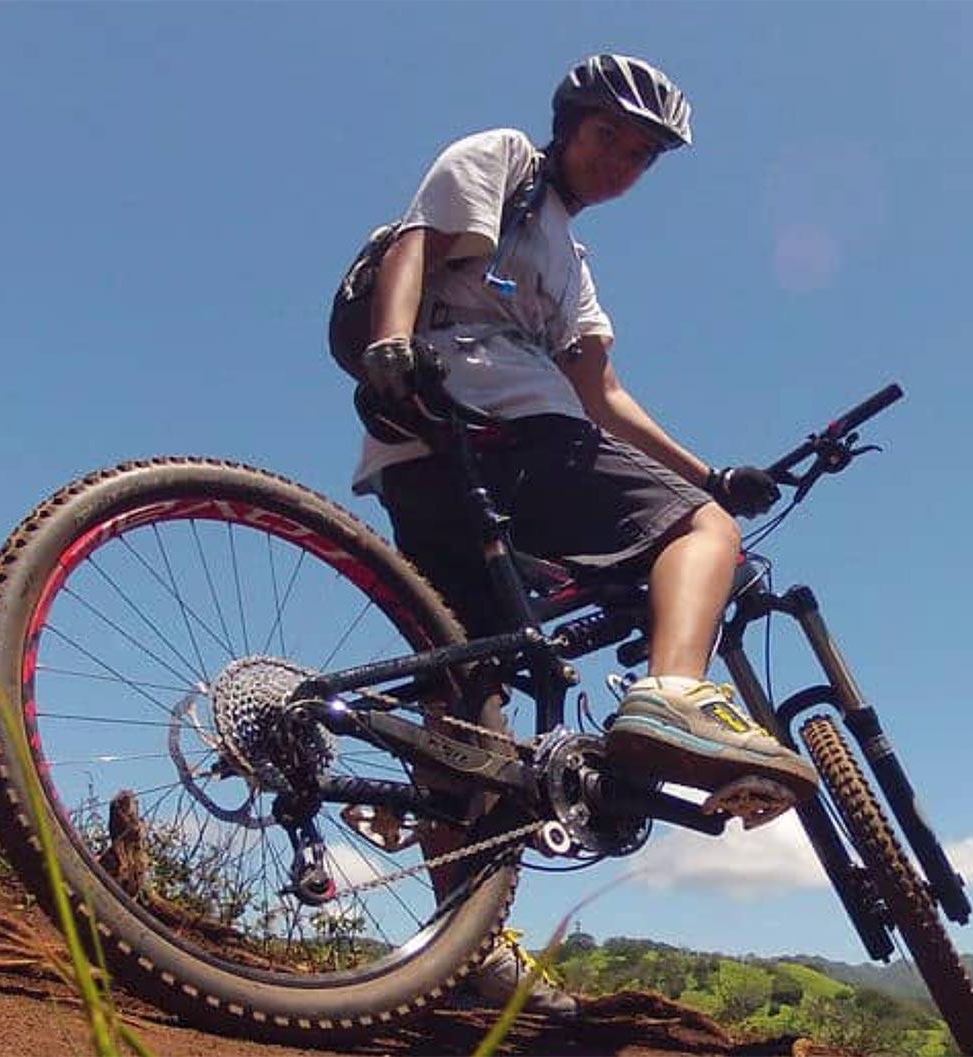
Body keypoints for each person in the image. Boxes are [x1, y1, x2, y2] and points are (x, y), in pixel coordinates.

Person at [348, 53, 819, 1015]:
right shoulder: (504, 159)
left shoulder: (573, 260)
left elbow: (601, 387)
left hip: (427, 463)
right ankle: (675, 691)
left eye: (643, 156)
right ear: (569, 124)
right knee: (700, 532)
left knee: (468, 698)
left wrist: (707, 465)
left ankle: (467, 951)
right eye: (611, 137)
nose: (622, 162)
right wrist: (391, 345)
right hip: (489, 426)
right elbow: (415, 244)